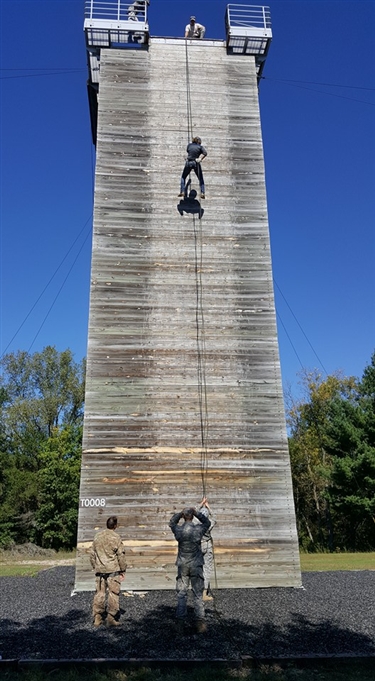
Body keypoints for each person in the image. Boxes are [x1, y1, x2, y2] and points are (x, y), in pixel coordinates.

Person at [169, 505, 211, 633]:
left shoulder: (179, 530)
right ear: (192, 517)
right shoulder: (198, 529)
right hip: (196, 564)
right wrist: (197, 512)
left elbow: (171, 523)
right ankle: (200, 623)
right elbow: (207, 522)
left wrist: (180, 514)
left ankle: (180, 623)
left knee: (182, 594)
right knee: (198, 594)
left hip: (183, 564)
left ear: (184, 517)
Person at [89, 515, 127, 627]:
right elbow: (121, 555)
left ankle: (97, 617)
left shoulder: (97, 536)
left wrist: (94, 566)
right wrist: (123, 569)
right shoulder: (116, 538)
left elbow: (91, 554)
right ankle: (111, 617)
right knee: (113, 594)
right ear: (115, 526)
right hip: (112, 570)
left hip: (100, 571)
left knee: (99, 594)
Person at [199, 497, 216, 601]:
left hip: (198, 546)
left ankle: (197, 589)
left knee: (198, 568)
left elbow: (192, 514)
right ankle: (204, 593)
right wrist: (208, 507)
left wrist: (201, 504)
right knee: (207, 569)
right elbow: (215, 517)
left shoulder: (196, 523)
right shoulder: (210, 523)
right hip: (207, 546)